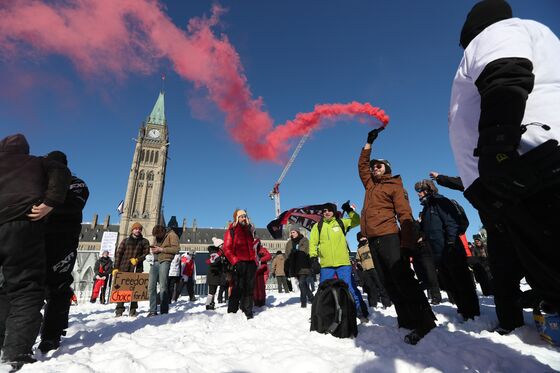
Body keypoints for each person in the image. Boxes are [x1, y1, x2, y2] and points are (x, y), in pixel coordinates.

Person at [449, 0, 560, 331]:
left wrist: (498, 147)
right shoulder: (535, 35)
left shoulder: (499, 31)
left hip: (531, 163)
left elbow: (505, 71)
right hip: (529, 169)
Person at [359, 128, 436, 345]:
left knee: (403, 279)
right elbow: (361, 167)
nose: (374, 168)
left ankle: (425, 321)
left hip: (390, 237)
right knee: (388, 282)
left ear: (387, 169)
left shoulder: (394, 186)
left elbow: (405, 215)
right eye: (374, 166)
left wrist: (408, 243)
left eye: (379, 165)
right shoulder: (370, 185)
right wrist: (368, 144)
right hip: (373, 239)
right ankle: (406, 319)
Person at [0, 134, 70, 369]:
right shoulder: (37, 162)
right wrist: (50, 202)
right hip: (21, 225)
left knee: (3, 288)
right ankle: (15, 353)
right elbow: (60, 172)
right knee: (26, 290)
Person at [37, 150, 89, 354]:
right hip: (36, 240)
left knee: (58, 288)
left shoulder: (76, 183)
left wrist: (48, 206)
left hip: (63, 241)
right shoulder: (37, 183)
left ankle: (51, 335)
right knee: (30, 288)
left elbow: (76, 204)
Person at [414, 179, 480, 321]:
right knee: (451, 283)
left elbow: (451, 223)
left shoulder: (441, 202)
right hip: (438, 254)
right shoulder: (426, 209)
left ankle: (472, 314)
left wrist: (450, 242)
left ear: (428, 190)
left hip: (451, 249)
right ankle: (463, 310)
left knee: (462, 282)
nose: (418, 194)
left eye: (420, 191)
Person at [308, 202, 367, 321]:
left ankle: (360, 310)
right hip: (326, 265)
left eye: (329, 210)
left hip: (343, 263)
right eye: (324, 211)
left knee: (350, 287)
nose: (326, 213)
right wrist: (313, 258)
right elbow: (313, 243)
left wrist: (349, 210)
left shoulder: (341, 223)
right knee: (323, 290)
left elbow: (356, 220)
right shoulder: (318, 226)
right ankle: (319, 313)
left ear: (334, 212)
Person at [223, 209, 258, 319]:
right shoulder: (231, 231)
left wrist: (255, 261)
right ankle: (232, 311)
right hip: (239, 262)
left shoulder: (249, 231)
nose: (244, 218)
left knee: (249, 287)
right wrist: (235, 261)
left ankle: (248, 310)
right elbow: (227, 248)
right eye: (241, 216)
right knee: (238, 287)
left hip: (250, 262)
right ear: (237, 218)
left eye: (245, 216)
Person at [112, 222, 150, 317]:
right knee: (122, 290)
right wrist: (116, 268)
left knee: (136, 289)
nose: (138, 230)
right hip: (124, 267)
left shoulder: (144, 241)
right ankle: (119, 310)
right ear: (132, 230)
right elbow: (119, 254)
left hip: (137, 268)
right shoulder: (125, 241)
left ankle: (133, 309)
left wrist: (138, 259)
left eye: (139, 229)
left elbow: (146, 253)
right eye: (136, 228)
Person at [147, 225, 180, 317]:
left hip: (165, 260)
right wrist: (154, 250)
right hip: (155, 261)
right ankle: (152, 310)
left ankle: (164, 310)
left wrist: (161, 249)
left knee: (163, 286)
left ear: (163, 232)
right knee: (151, 286)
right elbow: (155, 246)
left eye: (158, 235)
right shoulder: (157, 236)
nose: (157, 237)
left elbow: (176, 249)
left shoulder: (172, 235)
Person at [355, 232, 391, 309]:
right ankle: (373, 304)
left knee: (380, 285)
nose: (362, 239)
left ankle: (386, 303)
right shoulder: (359, 249)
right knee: (370, 288)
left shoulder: (370, 244)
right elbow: (358, 259)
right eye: (361, 238)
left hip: (374, 268)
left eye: (363, 237)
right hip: (365, 270)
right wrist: (358, 264)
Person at [284, 227, 314, 307]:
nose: (292, 234)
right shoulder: (289, 242)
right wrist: (287, 264)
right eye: (291, 232)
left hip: (303, 264)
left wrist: (295, 252)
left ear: (298, 232)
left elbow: (304, 250)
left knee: (301, 283)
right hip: (294, 266)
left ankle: (303, 302)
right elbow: (287, 254)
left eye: (293, 232)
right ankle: (312, 298)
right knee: (303, 283)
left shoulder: (304, 240)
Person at [205, 244, 225, 310]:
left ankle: (211, 303)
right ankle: (208, 304)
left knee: (212, 291)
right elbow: (214, 263)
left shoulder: (212, 254)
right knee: (212, 291)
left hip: (213, 275)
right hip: (214, 275)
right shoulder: (215, 254)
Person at [253, 240, 272, 308]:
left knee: (261, 286)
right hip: (255, 271)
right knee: (255, 287)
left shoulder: (262, 249)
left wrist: (261, 259)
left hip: (263, 271)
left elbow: (269, 256)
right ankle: (256, 300)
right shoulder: (252, 250)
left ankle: (261, 300)